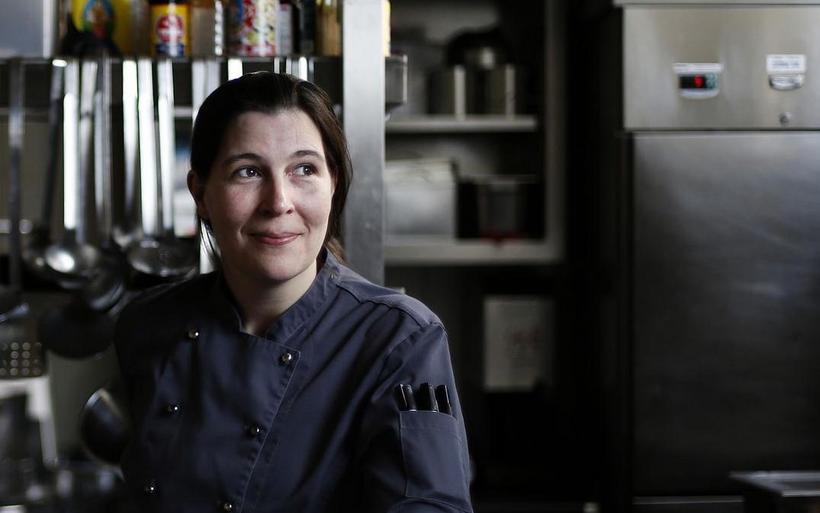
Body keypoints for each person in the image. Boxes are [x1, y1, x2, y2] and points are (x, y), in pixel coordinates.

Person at [114, 71, 473, 513]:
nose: (278, 201)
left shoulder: (398, 340)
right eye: (248, 172)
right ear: (201, 194)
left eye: (304, 169)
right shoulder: (149, 324)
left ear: (333, 182)